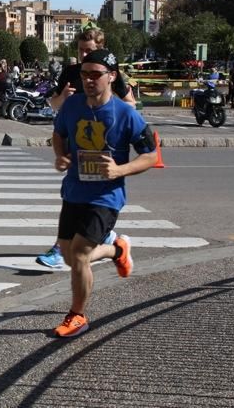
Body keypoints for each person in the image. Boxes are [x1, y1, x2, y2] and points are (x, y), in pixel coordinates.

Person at [51, 49, 157, 337]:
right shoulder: (72, 106)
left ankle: (77, 316)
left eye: (95, 74)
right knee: (67, 254)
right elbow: (58, 133)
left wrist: (119, 171)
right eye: (84, 74)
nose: (88, 80)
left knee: (81, 254)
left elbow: (151, 155)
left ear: (112, 76)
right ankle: (117, 249)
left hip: (106, 197)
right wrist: (60, 156)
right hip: (74, 190)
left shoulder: (125, 114)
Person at [37, 25, 136, 269]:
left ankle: (73, 246)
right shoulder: (71, 72)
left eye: (88, 50)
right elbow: (54, 103)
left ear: (100, 50)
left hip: (101, 147)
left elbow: (130, 104)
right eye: (80, 50)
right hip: (73, 143)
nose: (83, 55)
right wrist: (64, 99)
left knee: (92, 197)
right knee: (72, 196)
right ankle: (82, 243)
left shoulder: (110, 74)